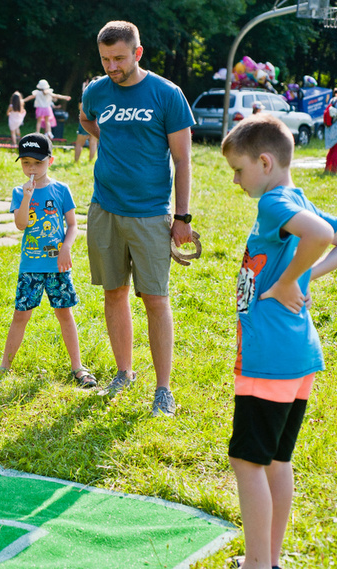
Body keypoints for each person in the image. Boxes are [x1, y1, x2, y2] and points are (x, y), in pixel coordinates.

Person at [220, 113, 337, 569]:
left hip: (269, 357)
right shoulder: (297, 199)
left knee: (247, 462)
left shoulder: (274, 203)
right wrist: (301, 276)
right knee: (275, 461)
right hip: (297, 356)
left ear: (264, 162)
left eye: (239, 170)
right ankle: (269, 560)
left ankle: (256, 565)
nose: (237, 181)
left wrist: (289, 282)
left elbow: (324, 236)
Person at [80, 21, 194, 416]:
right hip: (104, 209)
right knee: (114, 293)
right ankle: (123, 373)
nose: (112, 66)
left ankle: (163, 390)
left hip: (150, 214)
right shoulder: (96, 91)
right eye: (105, 59)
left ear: (138, 53)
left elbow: (183, 160)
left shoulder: (167, 94)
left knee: (156, 300)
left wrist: (182, 216)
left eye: (119, 58)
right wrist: (107, 139)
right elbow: (86, 119)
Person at [0, 133, 96, 388]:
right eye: (26, 163)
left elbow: (72, 225)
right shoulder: (19, 192)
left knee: (65, 314)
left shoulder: (61, 190)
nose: (32, 168)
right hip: (31, 266)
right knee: (20, 316)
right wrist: (27, 197)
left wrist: (66, 248)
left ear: (50, 161)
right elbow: (21, 224)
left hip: (57, 266)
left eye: (38, 163)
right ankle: (4, 366)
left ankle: (78, 367)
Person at [74, 79, 98, 163]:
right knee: (93, 142)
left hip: (86, 120)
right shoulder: (102, 95)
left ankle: (76, 161)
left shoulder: (86, 94)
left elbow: (80, 108)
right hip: (97, 121)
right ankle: (90, 161)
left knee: (79, 143)